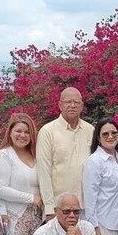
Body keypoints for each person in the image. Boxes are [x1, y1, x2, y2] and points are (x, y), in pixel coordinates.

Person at [36, 87, 94, 220]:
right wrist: (50, 208)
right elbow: (44, 172)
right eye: (68, 102)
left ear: (82, 106)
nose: (72, 105)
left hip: (84, 207)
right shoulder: (48, 132)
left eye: (76, 102)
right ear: (60, 105)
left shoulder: (90, 130)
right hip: (60, 209)